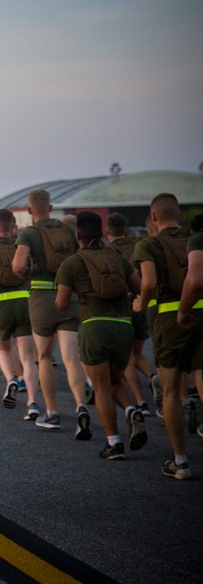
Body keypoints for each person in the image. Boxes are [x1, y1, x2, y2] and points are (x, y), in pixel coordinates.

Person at [54, 212, 146, 460]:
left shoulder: (72, 263)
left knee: (102, 387)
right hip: (123, 326)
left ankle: (114, 443)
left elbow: (61, 305)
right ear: (102, 231)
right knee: (116, 381)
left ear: (77, 235)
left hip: (94, 326)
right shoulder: (116, 257)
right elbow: (140, 287)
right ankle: (130, 409)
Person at [133, 193, 201, 479]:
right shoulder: (195, 238)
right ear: (180, 214)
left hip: (169, 318)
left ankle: (180, 461)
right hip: (201, 313)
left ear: (154, 216)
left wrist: (142, 303)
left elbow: (148, 282)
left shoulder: (149, 243)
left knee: (171, 391)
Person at [11, 190, 89, 437]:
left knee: (44, 357)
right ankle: (81, 407)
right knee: (71, 358)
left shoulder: (29, 233)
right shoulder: (67, 231)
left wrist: (29, 277)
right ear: (51, 207)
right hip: (69, 296)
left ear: (29, 210)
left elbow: (18, 265)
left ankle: (53, 412)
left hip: (42, 297)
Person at [0, 209, 39, 416]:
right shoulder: (21, 247)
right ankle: (32, 403)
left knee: (3, 350)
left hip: (0, 303)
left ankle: (11, 379)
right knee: (28, 357)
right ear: (13, 227)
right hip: (23, 301)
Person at [105, 213, 156, 414]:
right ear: (126, 228)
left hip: (121, 307)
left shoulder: (107, 251)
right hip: (141, 301)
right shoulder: (139, 245)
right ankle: (152, 377)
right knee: (138, 352)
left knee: (126, 358)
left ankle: (140, 401)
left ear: (107, 231)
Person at [177, 215, 203, 440]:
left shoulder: (197, 242)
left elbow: (195, 281)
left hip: (194, 312)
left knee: (196, 361)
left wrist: (183, 309)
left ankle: (179, 458)